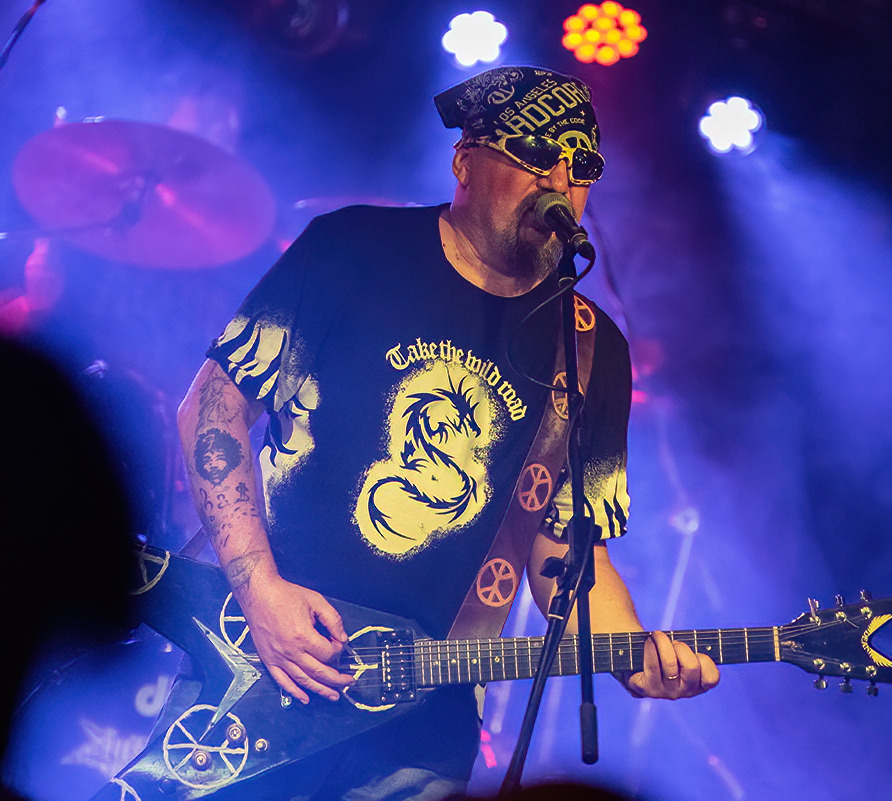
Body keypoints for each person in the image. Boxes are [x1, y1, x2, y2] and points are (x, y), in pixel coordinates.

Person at [173, 65, 719, 799]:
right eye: (535, 157)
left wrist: (633, 657)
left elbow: (565, 549)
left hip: (424, 724)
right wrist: (260, 590)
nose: (559, 184)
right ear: (465, 162)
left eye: (581, 166)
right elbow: (212, 410)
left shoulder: (591, 349)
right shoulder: (354, 249)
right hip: (264, 662)